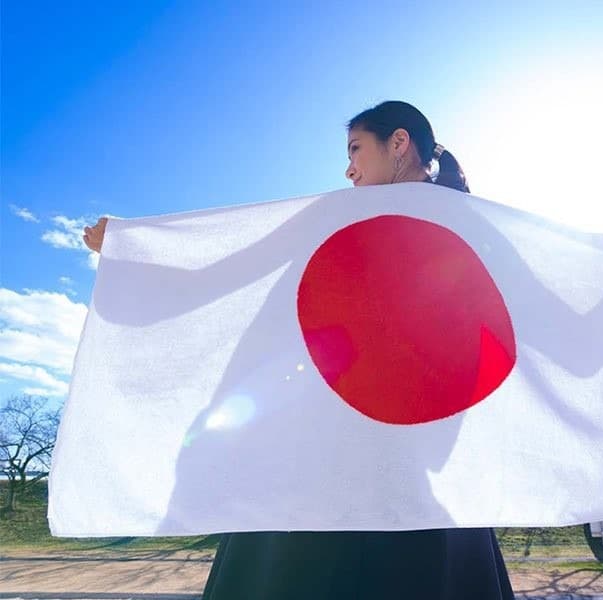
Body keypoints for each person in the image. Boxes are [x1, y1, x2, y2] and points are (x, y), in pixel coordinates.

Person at [83, 100, 514, 600]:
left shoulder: (474, 226)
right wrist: (133, 247)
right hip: (323, 451)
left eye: (355, 149)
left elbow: (517, 324)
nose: (348, 168)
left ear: (398, 143)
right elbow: (236, 263)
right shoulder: (333, 219)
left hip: (416, 461)